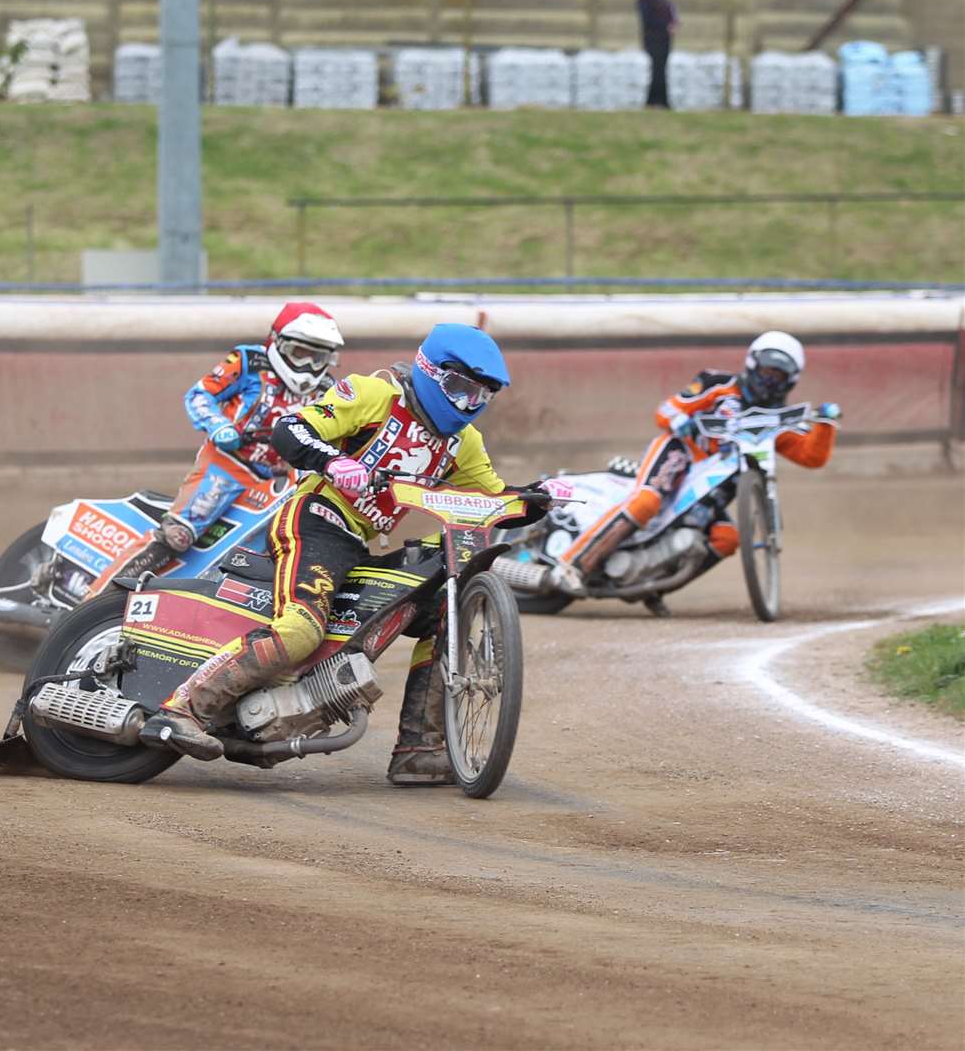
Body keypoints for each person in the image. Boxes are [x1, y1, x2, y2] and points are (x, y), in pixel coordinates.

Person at [140, 322, 551, 786]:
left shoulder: (464, 443)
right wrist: (335, 462)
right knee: (302, 630)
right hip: (315, 517)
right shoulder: (372, 394)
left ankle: (420, 748)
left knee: (443, 616)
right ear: (429, 371)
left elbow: (492, 502)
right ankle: (183, 710)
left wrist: (537, 499)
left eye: (481, 396)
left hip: (359, 542)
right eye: (459, 387)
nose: (467, 404)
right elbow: (290, 430)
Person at [549, 331, 840, 597]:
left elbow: (812, 457)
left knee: (727, 538)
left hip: (710, 493)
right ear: (752, 365)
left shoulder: (777, 421)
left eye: (778, 376)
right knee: (647, 500)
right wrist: (681, 420)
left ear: (791, 380)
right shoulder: (716, 384)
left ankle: (650, 587)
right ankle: (573, 564)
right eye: (766, 372)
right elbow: (667, 409)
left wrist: (826, 424)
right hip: (681, 456)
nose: (769, 381)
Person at [87, 301, 345, 591]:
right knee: (177, 536)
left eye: (318, 357)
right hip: (226, 465)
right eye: (301, 353)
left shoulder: (328, 391)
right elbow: (200, 395)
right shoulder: (248, 361)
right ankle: (95, 599)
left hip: (278, 482)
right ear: (279, 343)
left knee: (275, 547)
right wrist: (219, 425)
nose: (309, 366)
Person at [638, 0, 679, 109]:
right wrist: (666, 26)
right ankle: (656, 102)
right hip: (653, 39)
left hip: (664, 39)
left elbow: (671, 13)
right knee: (657, 70)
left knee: (661, 70)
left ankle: (658, 101)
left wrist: (674, 23)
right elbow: (647, 20)